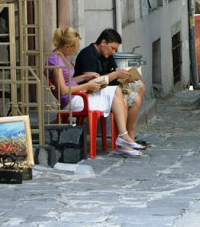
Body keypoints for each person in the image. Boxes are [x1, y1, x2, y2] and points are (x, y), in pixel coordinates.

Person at [46, 27, 145, 157]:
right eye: (74, 47)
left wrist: (84, 77)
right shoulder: (55, 61)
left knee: (118, 91)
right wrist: (87, 84)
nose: (75, 50)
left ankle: (123, 136)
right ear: (67, 46)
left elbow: (69, 80)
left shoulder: (63, 57)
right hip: (71, 100)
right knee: (116, 92)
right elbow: (63, 90)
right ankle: (123, 136)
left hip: (77, 95)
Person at [74, 28, 146, 143]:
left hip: (111, 89)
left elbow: (114, 71)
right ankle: (125, 136)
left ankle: (129, 133)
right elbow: (93, 83)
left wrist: (125, 77)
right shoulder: (87, 55)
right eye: (112, 48)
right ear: (103, 43)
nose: (113, 52)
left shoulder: (107, 54)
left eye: (115, 49)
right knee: (130, 99)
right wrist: (115, 74)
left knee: (139, 86)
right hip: (93, 93)